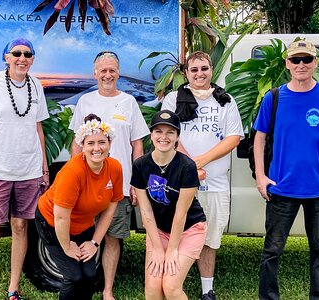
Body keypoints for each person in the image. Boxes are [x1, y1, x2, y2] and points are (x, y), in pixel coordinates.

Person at [253, 40, 319, 300]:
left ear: (315, 63)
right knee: (272, 251)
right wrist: (260, 176)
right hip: (281, 188)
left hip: (318, 189)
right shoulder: (275, 97)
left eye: (306, 59)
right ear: (287, 64)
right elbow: (259, 137)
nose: (300, 65)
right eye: (295, 60)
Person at [0, 37, 50, 300]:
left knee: (20, 227)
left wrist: (44, 168)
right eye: (16, 53)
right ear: (6, 57)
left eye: (27, 54)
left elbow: (38, 128)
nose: (22, 58)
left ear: (33, 59)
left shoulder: (36, 86)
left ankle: (13, 289)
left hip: (28, 171)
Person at [161, 51, 244, 300]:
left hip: (215, 182)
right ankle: (172, 284)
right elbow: (167, 134)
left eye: (204, 68)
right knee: (175, 231)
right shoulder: (173, 99)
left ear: (211, 70)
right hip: (179, 181)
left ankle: (207, 289)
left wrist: (201, 161)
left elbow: (234, 137)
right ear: (186, 73)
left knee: (209, 237)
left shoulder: (225, 100)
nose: (199, 74)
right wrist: (190, 167)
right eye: (194, 69)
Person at [68, 50, 149, 300]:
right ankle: (83, 287)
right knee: (85, 236)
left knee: (113, 238)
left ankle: (107, 290)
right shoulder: (85, 102)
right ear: (95, 74)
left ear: (118, 73)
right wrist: (73, 178)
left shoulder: (129, 102)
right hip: (87, 186)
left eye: (112, 70)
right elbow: (76, 144)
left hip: (119, 187)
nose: (107, 74)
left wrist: (136, 183)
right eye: (102, 70)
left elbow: (138, 146)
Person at [35, 114, 124, 300]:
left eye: (102, 142)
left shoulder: (115, 168)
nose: (97, 148)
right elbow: (61, 217)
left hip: (83, 223)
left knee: (90, 274)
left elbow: (111, 206)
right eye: (90, 143)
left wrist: (94, 243)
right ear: (82, 146)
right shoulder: (72, 172)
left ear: (110, 143)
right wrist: (67, 247)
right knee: (73, 275)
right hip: (52, 222)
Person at [131, 110, 208, 300]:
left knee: (171, 286)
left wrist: (172, 249)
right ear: (151, 135)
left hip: (189, 228)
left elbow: (180, 214)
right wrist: (158, 249)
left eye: (170, 132)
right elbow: (146, 212)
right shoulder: (141, 165)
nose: (163, 137)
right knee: (153, 290)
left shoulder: (187, 166)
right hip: (158, 230)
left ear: (177, 138)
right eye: (158, 131)